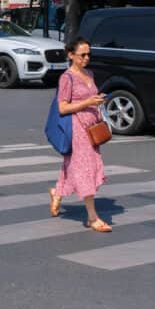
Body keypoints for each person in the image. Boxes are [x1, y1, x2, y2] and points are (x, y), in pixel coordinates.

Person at [49, 36, 110, 231]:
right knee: (84, 168)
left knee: (73, 164)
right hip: (77, 128)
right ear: (71, 55)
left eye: (88, 54)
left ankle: (57, 192)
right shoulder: (66, 78)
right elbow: (62, 108)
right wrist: (87, 103)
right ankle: (92, 218)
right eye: (82, 55)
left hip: (92, 128)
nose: (86, 58)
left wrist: (97, 99)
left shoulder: (89, 74)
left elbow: (90, 96)